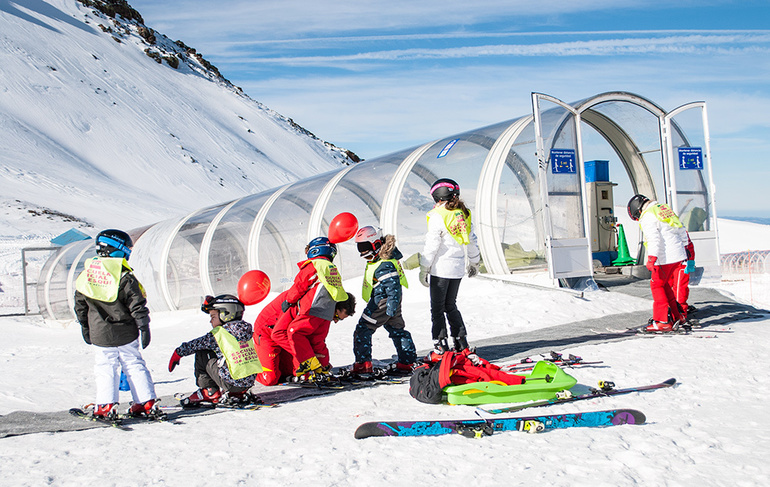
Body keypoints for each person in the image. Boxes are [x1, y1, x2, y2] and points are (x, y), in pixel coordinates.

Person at [74, 229, 159, 418]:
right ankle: (145, 402)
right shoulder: (125, 276)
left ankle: (105, 405)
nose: (129, 251)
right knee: (134, 364)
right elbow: (137, 304)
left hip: (100, 333)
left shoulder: (87, 274)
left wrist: (85, 326)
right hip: (126, 332)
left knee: (105, 367)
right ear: (118, 248)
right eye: (127, 247)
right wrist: (143, 326)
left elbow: (80, 306)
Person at [270, 237, 356, 382]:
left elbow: (300, 284)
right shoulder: (331, 267)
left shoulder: (315, 264)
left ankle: (309, 368)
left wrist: (289, 301)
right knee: (317, 340)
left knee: (295, 333)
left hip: (313, 306)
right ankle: (323, 368)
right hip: (327, 310)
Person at [419, 178, 481, 354]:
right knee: (451, 305)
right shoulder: (463, 214)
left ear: (438, 197)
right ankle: (461, 342)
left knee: (437, 308)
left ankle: (440, 344)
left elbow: (432, 245)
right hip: (457, 269)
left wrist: (424, 268)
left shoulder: (438, 215)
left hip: (441, 269)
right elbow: (471, 241)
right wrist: (474, 261)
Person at [168, 294, 261, 405]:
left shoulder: (219, 334)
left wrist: (178, 353)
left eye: (213, 317)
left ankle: (209, 391)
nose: (211, 322)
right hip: (249, 382)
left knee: (203, 352)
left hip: (230, 383)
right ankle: (238, 392)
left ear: (226, 314)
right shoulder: (247, 330)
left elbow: (194, 344)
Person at [351, 226, 417, 376]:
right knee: (397, 330)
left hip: (380, 303)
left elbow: (394, 286)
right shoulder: (384, 259)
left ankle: (363, 363)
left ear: (375, 245)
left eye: (366, 251)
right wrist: (393, 307)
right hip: (390, 303)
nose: (364, 255)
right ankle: (407, 361)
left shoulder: (384, 264)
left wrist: (391, 306)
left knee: (363, 328)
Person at [627, 194, 691, 332]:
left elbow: (653, 239)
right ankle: (677, 316)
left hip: (665, 258)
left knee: (657, 286)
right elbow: (680, 228)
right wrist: (686, 247)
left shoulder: (648, 216)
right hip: (679, 254)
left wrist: (652, 258)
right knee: (665, 286)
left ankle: (662, 321)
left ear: (637, 210)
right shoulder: (663, 209)